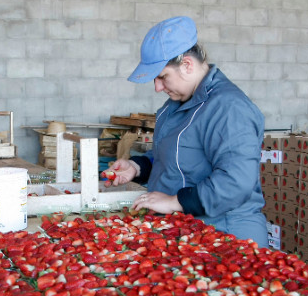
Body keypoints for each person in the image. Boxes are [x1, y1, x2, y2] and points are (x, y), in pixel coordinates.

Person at [107, 16, 269, 245]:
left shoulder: (228, 109)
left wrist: (174, 202)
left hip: (227, 237)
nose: (157, 87)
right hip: (188, 233)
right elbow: (177, 155)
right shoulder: (175, 106)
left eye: (163, 77)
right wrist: (137, 167)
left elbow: (236, 181)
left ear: (187, 65)